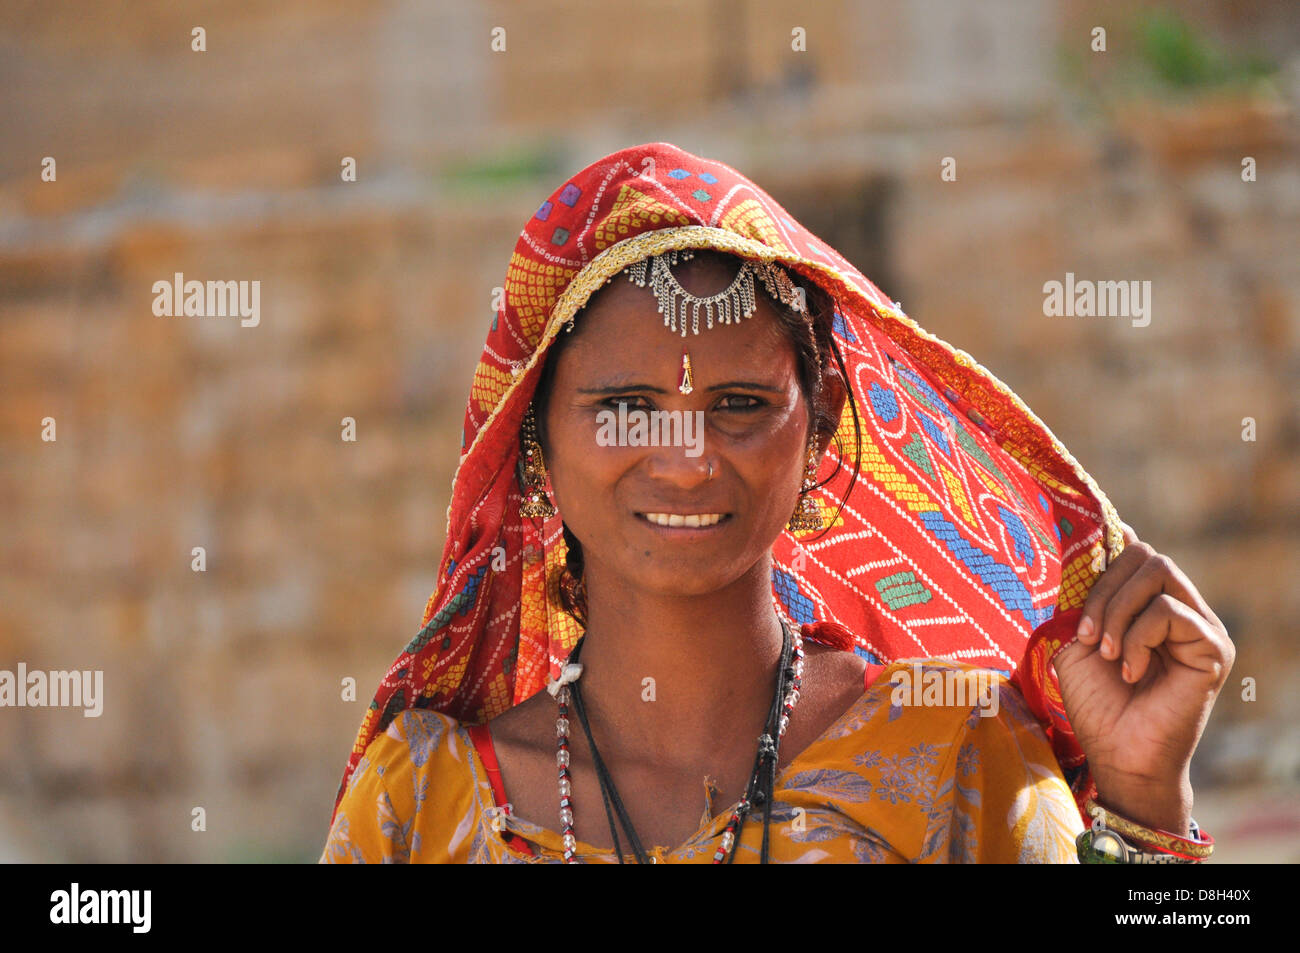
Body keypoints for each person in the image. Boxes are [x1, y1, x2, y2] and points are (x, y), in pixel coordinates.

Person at [320, 142, 1233, 863]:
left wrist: (1147, 799)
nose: (684, 461)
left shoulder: (957, 754)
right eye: (626, 407)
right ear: (536, 443)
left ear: (821, 427)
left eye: (741, 405)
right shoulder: (424, 802)